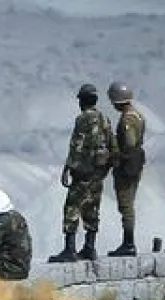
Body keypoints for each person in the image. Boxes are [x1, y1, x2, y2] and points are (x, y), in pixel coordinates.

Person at [48, 83, 113, 263]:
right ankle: (90, 247)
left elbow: (76, 146)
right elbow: (111, 144)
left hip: (83, 172)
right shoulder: (105, 119)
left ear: (83, 101)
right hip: (98, 173)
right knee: (92, 209)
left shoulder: (82, 119)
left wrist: (68, 168)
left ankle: (70, 250)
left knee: (72, 208)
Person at [107, 82, 146, 257]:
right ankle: (128, 242)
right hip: (135, 163)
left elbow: (129, 143)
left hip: (127, 165)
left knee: (126, 205)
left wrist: (117, 155)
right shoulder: (138, 115)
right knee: (128, 203)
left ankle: (128, 243)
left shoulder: (127, 119)